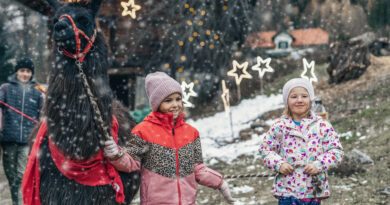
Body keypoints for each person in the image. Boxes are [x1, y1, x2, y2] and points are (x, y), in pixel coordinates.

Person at [104, 72, 235, 205]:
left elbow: (198, 169)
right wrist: (116, 155)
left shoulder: (191, 133)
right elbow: (131, 162)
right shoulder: (143, 131)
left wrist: (220, 183)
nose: (175, 105)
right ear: (157, 103)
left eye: (178, 99)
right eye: (168, 100)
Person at [259, 78, 343, 205]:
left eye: (304, 96)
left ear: (311, 100)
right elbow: (265, 149)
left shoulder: (322, 126)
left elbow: (336, 151)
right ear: (286, 101)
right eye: (294, 96)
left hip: (313, 191)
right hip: (287, 192)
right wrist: (279, 164)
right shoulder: (280, 126)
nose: (299, 100)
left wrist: (319, 165)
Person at [0, 57, 44, 205]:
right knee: (11, 177)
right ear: (17, 72)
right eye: (22, 71)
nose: (25, 74)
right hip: (8, 140)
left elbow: (43, 116)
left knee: (21, 175)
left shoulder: (37, 93)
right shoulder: (5, 88)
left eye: (28, 71)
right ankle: (16, 201)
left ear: (31, 74)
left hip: (27, 142)